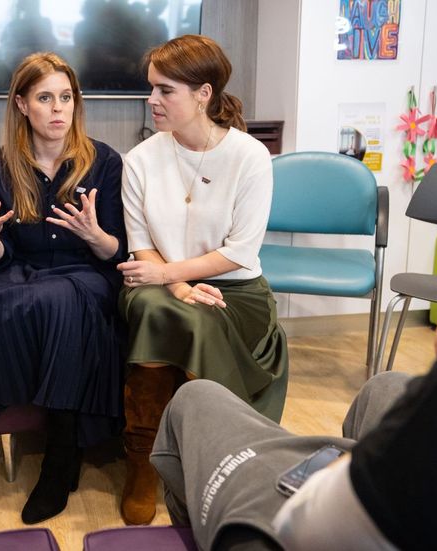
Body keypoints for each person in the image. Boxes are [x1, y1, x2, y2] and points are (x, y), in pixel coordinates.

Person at [149, 15, 437, 549]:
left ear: (203, 94)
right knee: (382, 388)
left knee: (197, 403)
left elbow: (320, 527)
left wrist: (341, 481)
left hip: (324, 528)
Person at [0, 52, 127, 525]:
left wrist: (93, 235)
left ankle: (61, 459)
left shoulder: (104, 162)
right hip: (23, 272)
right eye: (45, 98)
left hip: (84, 277)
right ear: (22, 105)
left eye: (66, 97)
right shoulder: (0, 166)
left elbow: (116, 253)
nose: (59, 109)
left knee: (57, 303)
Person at [116, 34, 288, 525]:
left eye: (165, 90)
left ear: (203, 94)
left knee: (188, 317)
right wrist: (176, 284)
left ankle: (210, 463)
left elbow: (240, 252)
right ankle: (145, 465)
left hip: (237, 290)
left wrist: (173, 276)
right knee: (158, 308)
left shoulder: (250, 156)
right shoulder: (141, 159)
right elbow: (140, 240)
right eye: (151, 89)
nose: (152, 101)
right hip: (158, 284)